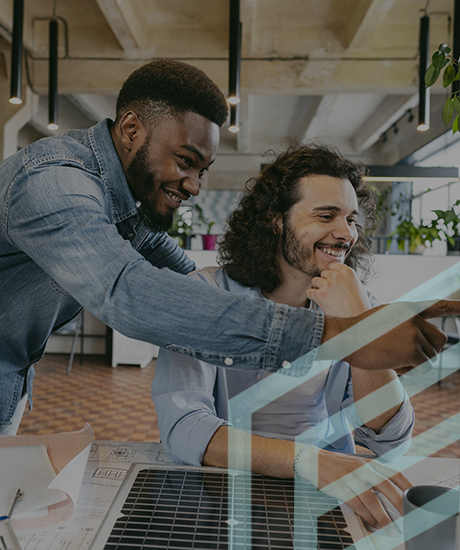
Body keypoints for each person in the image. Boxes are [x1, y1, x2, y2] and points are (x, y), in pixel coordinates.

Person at [0, 59, 460, 435]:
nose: (193, 186)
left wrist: (372, 316)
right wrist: (335, 336)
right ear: (131, 130)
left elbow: (187, 278)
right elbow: (128, 294)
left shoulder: (126, 201)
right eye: (185, 162)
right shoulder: (56, 184)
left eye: (202, 170)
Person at [152, 143, 416, 534]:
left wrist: (360, 323)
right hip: (226, 489)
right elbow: (185, 428)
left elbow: (390, 438)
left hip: (324, 492)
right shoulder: (205, 295)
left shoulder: (356, 305)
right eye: (326, 216)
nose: (346, 234)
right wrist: (308, 460)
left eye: (351, 219)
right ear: (276, 221)